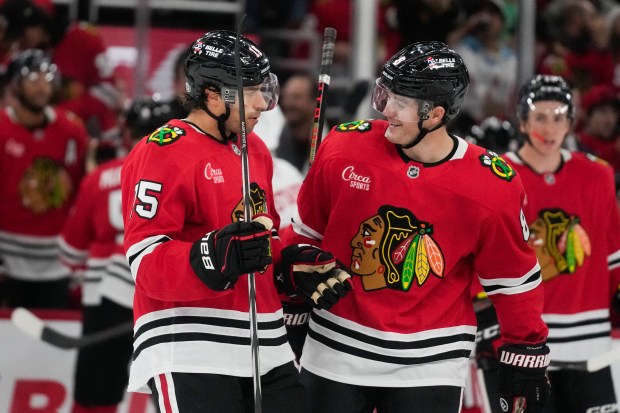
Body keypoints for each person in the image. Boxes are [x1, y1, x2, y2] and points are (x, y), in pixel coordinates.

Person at [280, 40, 550, 413]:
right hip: (333, 350)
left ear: (436, 114)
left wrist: (525, 351)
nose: (386, 109)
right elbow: (304, 237)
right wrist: (291, 300)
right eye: (384, 95)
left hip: (430, 365)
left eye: (400, 103)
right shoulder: (343, 147)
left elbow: (513, 279)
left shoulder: (492, 184)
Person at [121, 30, 349, 412]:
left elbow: (264, 243)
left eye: (266, 89)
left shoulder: (255, 150)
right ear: (213, 96)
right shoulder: (162, 152)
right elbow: (146, 263)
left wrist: (290, 268)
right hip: (191, 345)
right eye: (252, 91)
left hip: (266, 344)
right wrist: (211, 256)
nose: (264, 103)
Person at [474, 74, 619, 413]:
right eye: (540, 117)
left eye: (558, 117)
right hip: (522, 344)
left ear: (571, 122)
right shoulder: (496, 175)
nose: (550, 128)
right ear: (522, 121)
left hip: (589, 343)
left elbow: (611, 257)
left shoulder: (598, 176)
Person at [58, 97, 173, 413]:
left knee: (95, 398)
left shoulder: (99, 178)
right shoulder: (185, 174)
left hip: (105, 301)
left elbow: (69, 252)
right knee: (175, 397)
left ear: (128, 133)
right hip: (163, 299)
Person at [0, 48, 87, 309]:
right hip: (7, 260)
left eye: (46, 78)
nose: (42, 87)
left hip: (56, 262)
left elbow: (81, 191)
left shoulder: (72, 130)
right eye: (33, 79)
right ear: (15, 85)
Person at [275, 72, 317, 173]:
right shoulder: (272, 136)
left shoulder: (327, 139)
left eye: (296, 97)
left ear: (315, 102)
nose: (288, 103)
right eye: (286, 97)